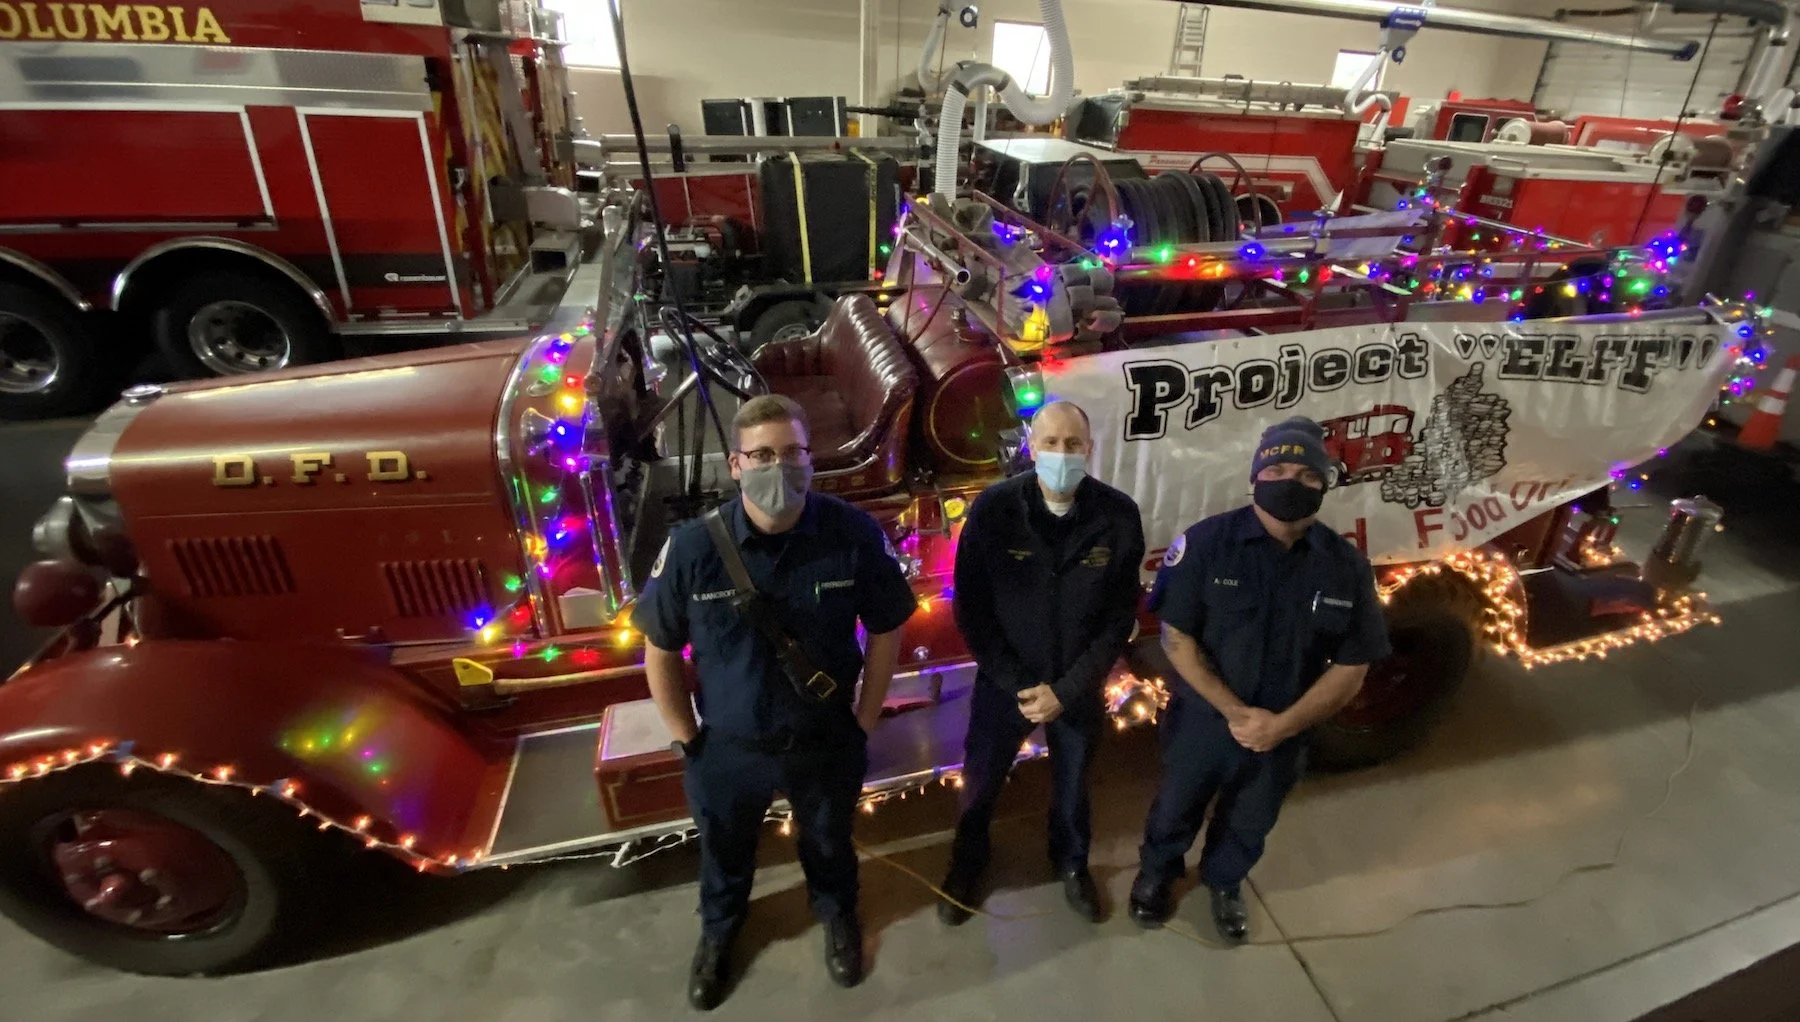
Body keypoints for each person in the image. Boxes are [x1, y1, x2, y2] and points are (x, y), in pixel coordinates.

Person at [633, 394, 917, 1011]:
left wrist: (864, 721)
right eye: (762, 455)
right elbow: (660, 649)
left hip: (824, 739)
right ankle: (719, 931)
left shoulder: (852, 534)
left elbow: (887, 629)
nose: (778, 468)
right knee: (724, 850)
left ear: (811, 460)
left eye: (792, 453)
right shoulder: (692, 549)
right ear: (736, 465)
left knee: (830, 842)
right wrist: (689, 740)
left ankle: (838, 917)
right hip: (728, 747)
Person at [1127, 416, 1390, 942]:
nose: (1291, 482)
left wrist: (1281, 726)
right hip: (1204, 721)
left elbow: (1353, 665)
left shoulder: (1345, 567)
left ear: (1323, 484)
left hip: (1286, 732)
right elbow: (1176, 638)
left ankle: (1224, 882)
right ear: (1256, 478)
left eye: (1307, 475)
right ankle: (1158, 873)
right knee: (1175, 807)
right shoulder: (1206, 545)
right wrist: (1235, 712)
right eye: (1278, 471)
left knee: (1251, 821)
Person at [938, 400, 1146, 924]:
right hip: (1005, 684)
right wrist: (1018, 682)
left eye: (1073, 444)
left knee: (1074, 785)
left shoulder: (1118, 516)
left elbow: (1119, 616)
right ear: (1031, 448)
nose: (1061, 453)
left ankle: (1072, 863)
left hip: (1077, 685)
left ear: (1089, 449)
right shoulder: (994, 511)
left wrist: (1068, 689)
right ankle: (967, 862)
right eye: (1050, 443)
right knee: (981, 780)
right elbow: (971, 608)